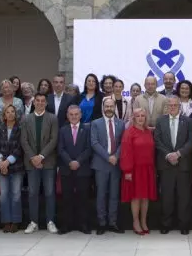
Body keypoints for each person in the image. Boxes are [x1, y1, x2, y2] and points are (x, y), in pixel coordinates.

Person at [154, 96, 192, 235]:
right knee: (167, 196)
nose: (172, 107)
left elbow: (191, 141)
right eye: (170, 105)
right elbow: (157, 140)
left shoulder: (188, 121)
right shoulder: (160, 121)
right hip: (166, 165)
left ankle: (184, 224)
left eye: (175, 105)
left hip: (183, 164)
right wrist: (168, 155)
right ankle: (166, 224)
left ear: (179, 106)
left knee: (184, 197)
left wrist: (178, 154)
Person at [21, 93, 59, 234]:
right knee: (32, 193)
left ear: (46, 103)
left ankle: (50, 221)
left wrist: (41, 156)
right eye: (38, 101)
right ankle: (34, 222)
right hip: (31, 163)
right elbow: (23, 140)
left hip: (48, 162)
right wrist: (33, 158)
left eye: (43, 101)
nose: (40, 103)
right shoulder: (26, 118)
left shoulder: (53, 118)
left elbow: (54, 139)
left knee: (49, 192)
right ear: (34, 102)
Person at [91, 98, 126, 235]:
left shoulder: (121, 123)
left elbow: (123, 143)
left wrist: (116, 156)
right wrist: (108, 157)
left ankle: (112, 222)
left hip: (115, 165)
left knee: (114, 195)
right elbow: (94, 143)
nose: (109, 108)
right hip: (101, 164)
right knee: (101, 195)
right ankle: (102, 223)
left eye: (111, 106)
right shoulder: (95, 123)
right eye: (107, 106)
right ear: (103, 107)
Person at [121, 108, 157, 235]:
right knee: (136, 197)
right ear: (133, 118)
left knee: (145, 197)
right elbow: (126, 153)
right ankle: (135, 222)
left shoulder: (148, 131)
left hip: (147, 169)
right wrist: (128, 171)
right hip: (135, 169)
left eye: (143, 115)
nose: (141, 118)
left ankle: (143, 221)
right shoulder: (129, 132)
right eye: (138, 116)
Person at [57, 105, 92, 235]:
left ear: (81, 115)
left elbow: (89, 148)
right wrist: (70, 162)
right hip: (67, 168)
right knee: (67, 198)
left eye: (76, 114)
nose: (74, 117)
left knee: (83, 198)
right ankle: (66, 224)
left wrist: (78, 161)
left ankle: (83, 224)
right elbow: (60, 149)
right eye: (71, 114)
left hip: (82, 169)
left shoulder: (87, 129)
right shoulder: (62, 130)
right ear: (67, 116)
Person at [0, 105, 24, 233]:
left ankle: (16, 221)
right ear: (4, 115)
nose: (10, 114)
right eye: (8, 112)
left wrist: (8, 161)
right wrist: (1, 162)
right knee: (4, 195)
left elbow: (20, 147)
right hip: (1, 167)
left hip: (16, 166)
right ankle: (6, 221)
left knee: (16, 194)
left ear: (15, 114)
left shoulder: (20, 129)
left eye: (12, 112)